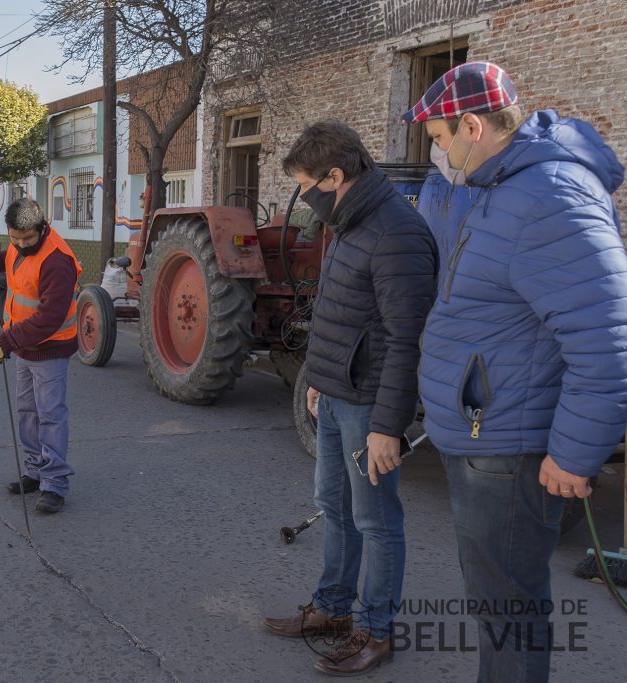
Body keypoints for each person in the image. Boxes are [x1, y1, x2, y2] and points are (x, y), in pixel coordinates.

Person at [403, 61, 627, 682]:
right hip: (483, 430)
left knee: (508, 605)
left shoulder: (550, 196)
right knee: (496, 599)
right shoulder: (499, 185)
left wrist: (576, 455)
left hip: (506, 443)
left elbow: (606, 339)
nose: (438, 154)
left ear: (472, 126)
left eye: (441, 140)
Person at [263, 120, 438, 676]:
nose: (305, 198)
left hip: (370, 407)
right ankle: (334, 610)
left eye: (306, 185)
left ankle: (376, 631)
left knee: (376, 521)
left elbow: (405, 340)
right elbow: (336, 315)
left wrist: (390, 426)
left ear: (335, 177)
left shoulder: (398, 233)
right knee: (334, 509)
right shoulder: (350, 222)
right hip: (337, 396)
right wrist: (316, 380)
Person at [0, 198, 82, 513]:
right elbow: (17, 260)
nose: (21, 245)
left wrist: (8, 339)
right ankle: (35, 472)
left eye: (28, 239)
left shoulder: (58, 261)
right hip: (25, 347)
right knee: (27, 412)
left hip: (50, 348)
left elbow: (49, 317)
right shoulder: (18, 244)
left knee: (50, 415)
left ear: (43, 228)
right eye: (15, 239)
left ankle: (54, 484)